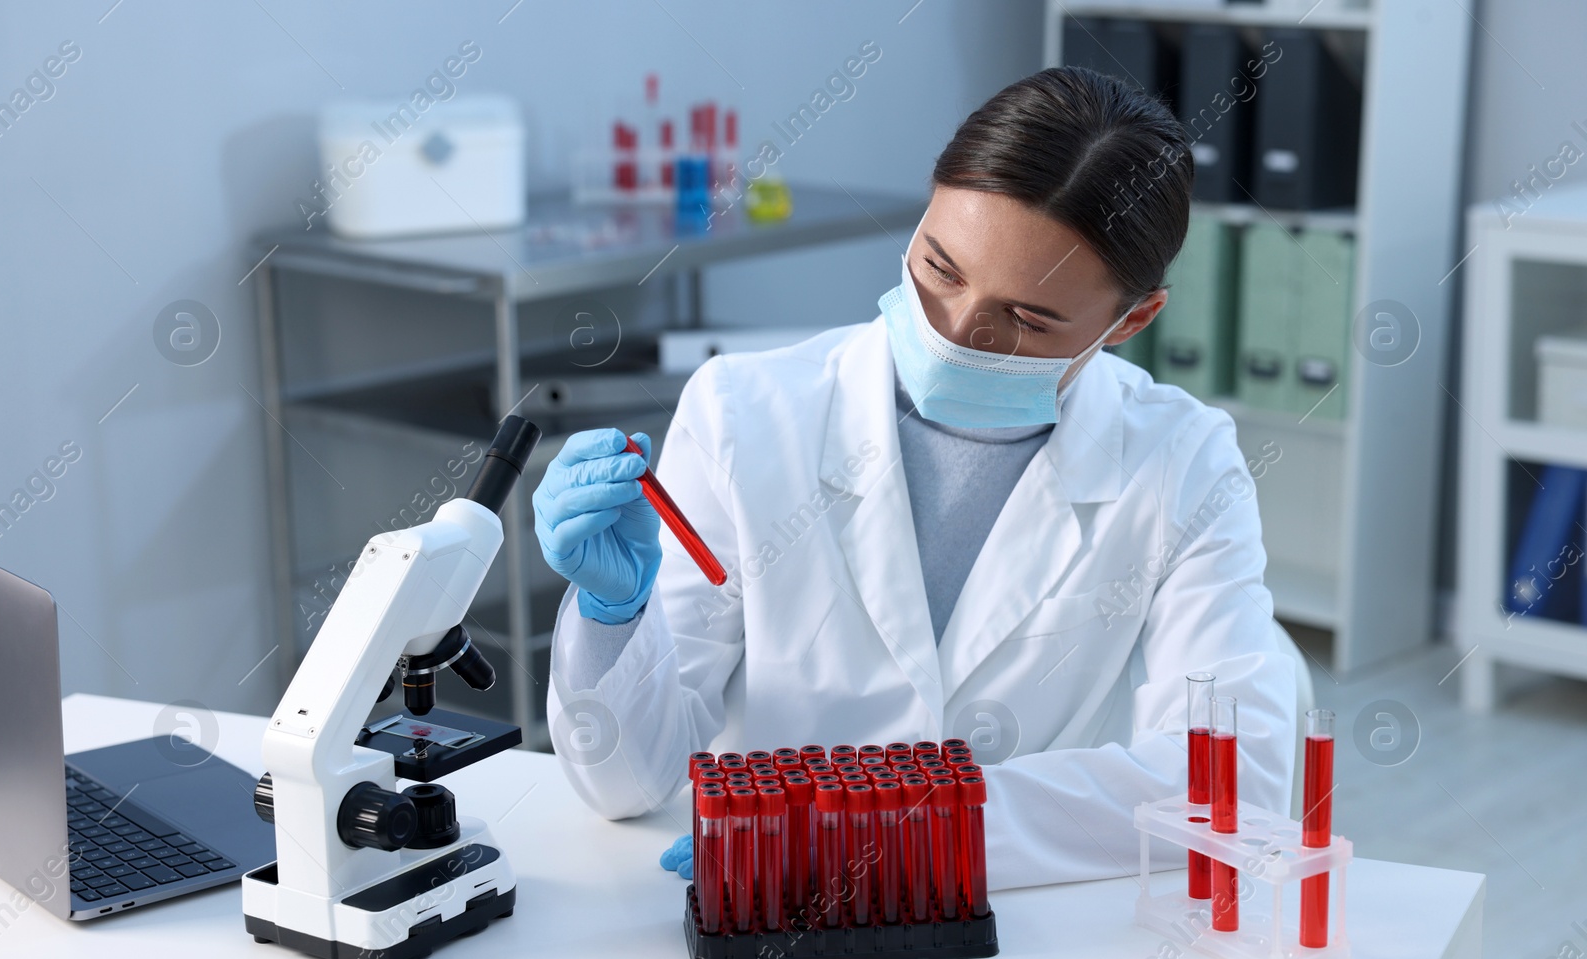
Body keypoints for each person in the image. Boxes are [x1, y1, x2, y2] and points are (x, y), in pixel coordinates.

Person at [532, 66, 1295, 889]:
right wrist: (615, 621)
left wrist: (888, 829)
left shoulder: (1182, 461)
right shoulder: (744, 413)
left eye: (1028, 317)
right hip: (761, 913)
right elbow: (628, 781)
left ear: (1131, 320)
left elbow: (1230, 791)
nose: (959, 332)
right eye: (940, 266)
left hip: (1023, 939)